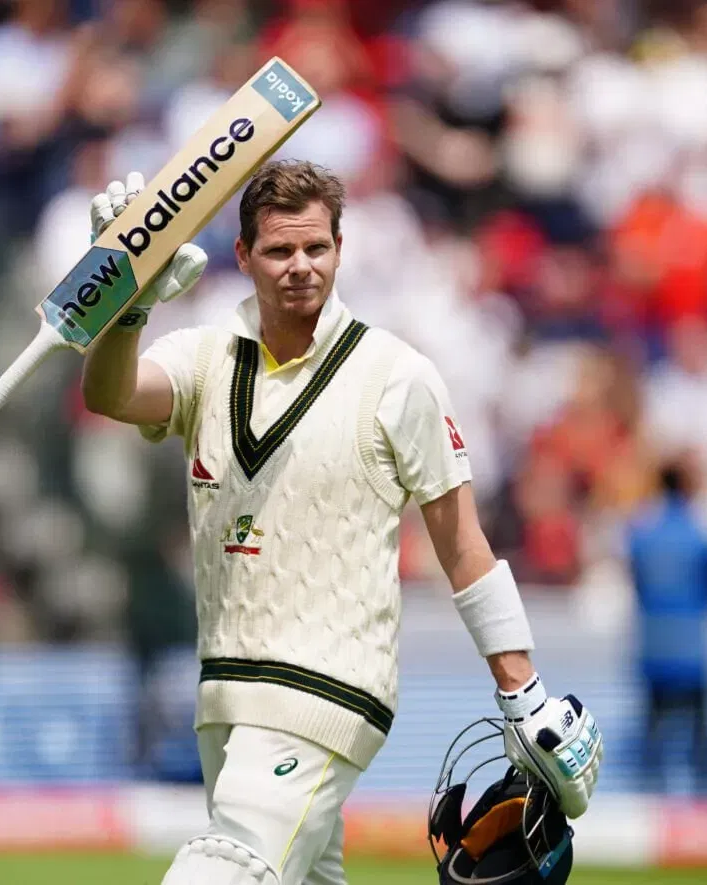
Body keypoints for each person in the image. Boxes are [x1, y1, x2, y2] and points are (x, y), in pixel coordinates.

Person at [81, 160, 604, 885]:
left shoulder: (396, 376)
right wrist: (126, 294)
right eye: (279, 250)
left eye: (316, 247)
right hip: (225, 689)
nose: (301, 265)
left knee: (223, 869)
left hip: (328, 683)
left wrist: (523, 691)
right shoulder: (204, 357)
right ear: (244, 256)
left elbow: (462, 543)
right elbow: (110, 393)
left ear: (339, 248)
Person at [626, 456, 707, 798]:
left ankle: (649, 806)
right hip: (692, 651)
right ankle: (705, 807)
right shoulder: (702, 535)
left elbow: (637, 583)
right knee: (699, 741)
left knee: (654, 739)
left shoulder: (642, 534)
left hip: (654, 648)